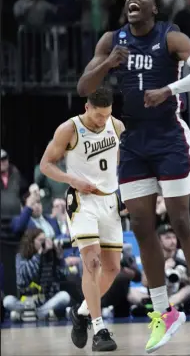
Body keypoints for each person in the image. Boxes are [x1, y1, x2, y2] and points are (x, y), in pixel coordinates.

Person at [76, 0, 190, 353]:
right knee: (141, 226)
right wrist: (107, 65)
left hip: (170, 137)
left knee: (179, 219)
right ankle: (163, 313)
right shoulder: (112, 41)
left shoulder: (170, 35)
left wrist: (169, 88)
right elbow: (83, 87)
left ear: (154, 8)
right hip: (135, 141)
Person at [39, 88, 122, 351]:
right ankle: (100, 330)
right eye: (99, 115)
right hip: (82, 201)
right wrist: (71, 179)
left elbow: (124, 161)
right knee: (93, 263)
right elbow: (46, 164)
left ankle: (82, 313)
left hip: (109, 201)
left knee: (113, 269)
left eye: (107, 115)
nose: (102, 120)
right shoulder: (69, 129)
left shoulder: (116, 125)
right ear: (87, 108)